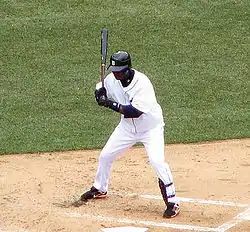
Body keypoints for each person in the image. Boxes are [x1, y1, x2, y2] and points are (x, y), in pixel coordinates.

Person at [76, 51, 180, 218]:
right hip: (127, 129)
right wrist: (99, 94)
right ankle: (100, 188)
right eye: (114, 71)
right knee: (105, 156)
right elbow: (101, 87)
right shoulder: (112, 79)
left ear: (127, 69)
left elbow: (134, 111)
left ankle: (173, 202)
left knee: (157, 162)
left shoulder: (142, 83)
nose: (115, 74)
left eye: (118, 71)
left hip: (150, 129)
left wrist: (109, 104)